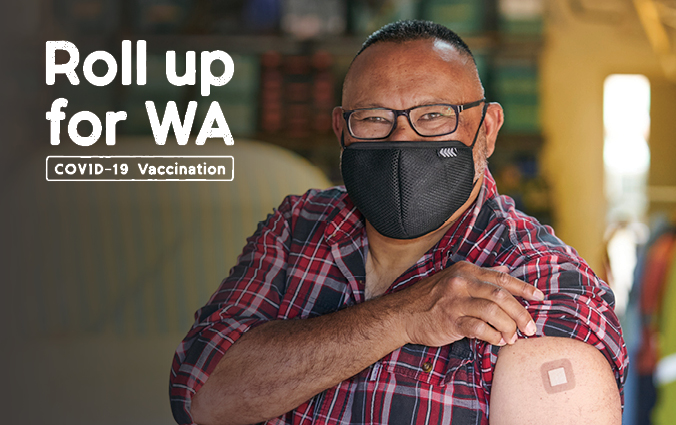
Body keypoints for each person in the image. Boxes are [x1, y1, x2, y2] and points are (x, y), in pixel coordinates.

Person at [170, 20, 627, 425]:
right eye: (374, 118)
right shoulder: (298, 228)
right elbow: (204, 398)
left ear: (487, 130)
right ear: (341, 130)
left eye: (433, 116)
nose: (403, 138)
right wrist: (402, 317)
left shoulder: (541, 283)